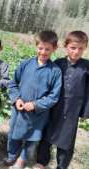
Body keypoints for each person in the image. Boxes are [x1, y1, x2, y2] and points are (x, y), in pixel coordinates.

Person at [4, 30, 62, 169]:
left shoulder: (55, 71)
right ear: (36, 46)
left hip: (38, 114)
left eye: (47, 49)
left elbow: (54, 96)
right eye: (40, 48)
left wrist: (36, 104)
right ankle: (11, 156)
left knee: (32, 139)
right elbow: (13, 83)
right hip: (20, 110)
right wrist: (16, 99)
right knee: (14, 135)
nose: (43, 52)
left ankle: (22, 161)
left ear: (54, 49)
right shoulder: (26, 64)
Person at [35, 31, 89, 169]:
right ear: (66, 46)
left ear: (85, 48)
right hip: (54, 106)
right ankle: (41, 162)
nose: (76, 52)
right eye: (73, 47)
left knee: (67, 140)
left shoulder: (86, 67)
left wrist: (85, 112)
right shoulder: (58, 63)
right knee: (46, 135)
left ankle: (62, 165)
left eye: (80, 48)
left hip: (72, 110)